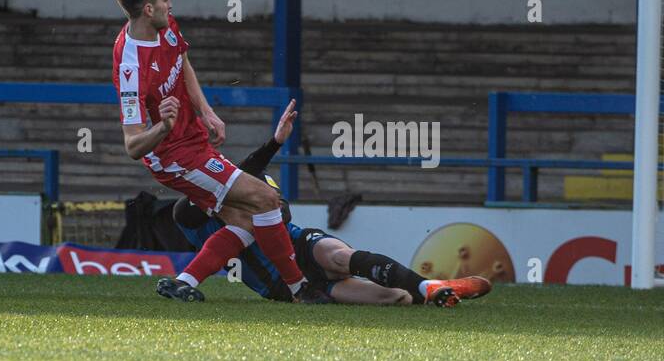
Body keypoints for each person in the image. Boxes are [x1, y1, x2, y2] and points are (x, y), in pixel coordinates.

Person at [111, 0, 330, 304]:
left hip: (194, 140)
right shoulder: (131, 65)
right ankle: (300, 289)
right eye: (165, 0)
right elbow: (132, 146)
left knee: (244, 218)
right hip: (175, 159)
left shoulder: (166, 27)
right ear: (148, 9)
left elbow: (183, 64)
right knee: (266, 199)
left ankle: (183, 282)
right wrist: (164, 128)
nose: (171, 5)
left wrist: (206, 111)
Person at [165, 98, 492, 307]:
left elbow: (255, 177)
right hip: (280, 282)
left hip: (297, 243)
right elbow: (205, 222)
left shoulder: (241, 182)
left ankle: (431, 287)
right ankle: (427, 292)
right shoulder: (196, 214)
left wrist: (276, 142)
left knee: (339, 257)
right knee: (392, 298)